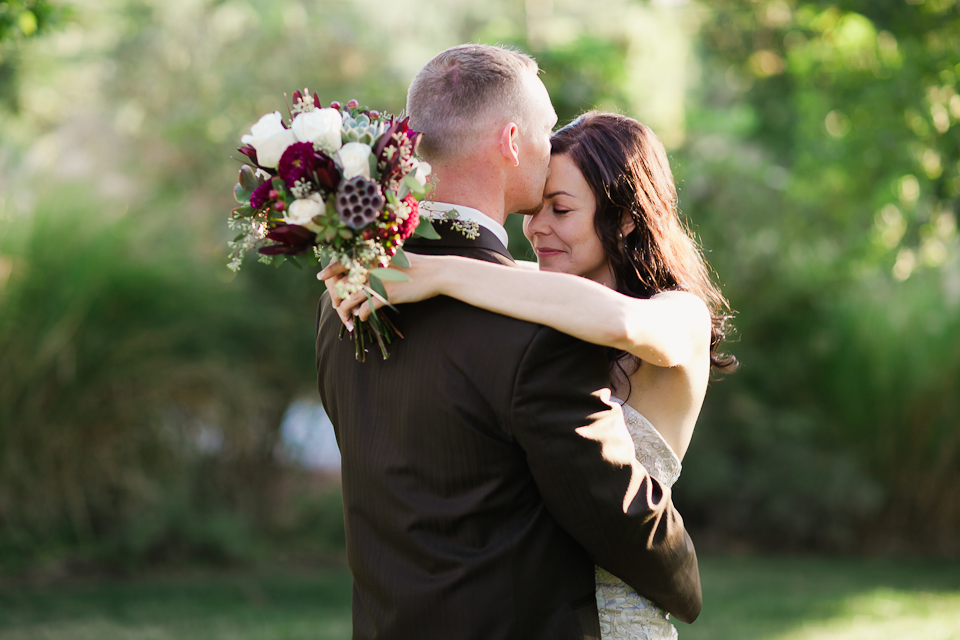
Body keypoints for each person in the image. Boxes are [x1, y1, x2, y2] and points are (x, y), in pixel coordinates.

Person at [315, 45, 701, 640]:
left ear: (625, 218)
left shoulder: (363, 290)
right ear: (512, 140)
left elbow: (625, 325)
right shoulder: (511, 308)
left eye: (562, 208)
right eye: (541, 203)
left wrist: (438, 272)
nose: (539, 226)